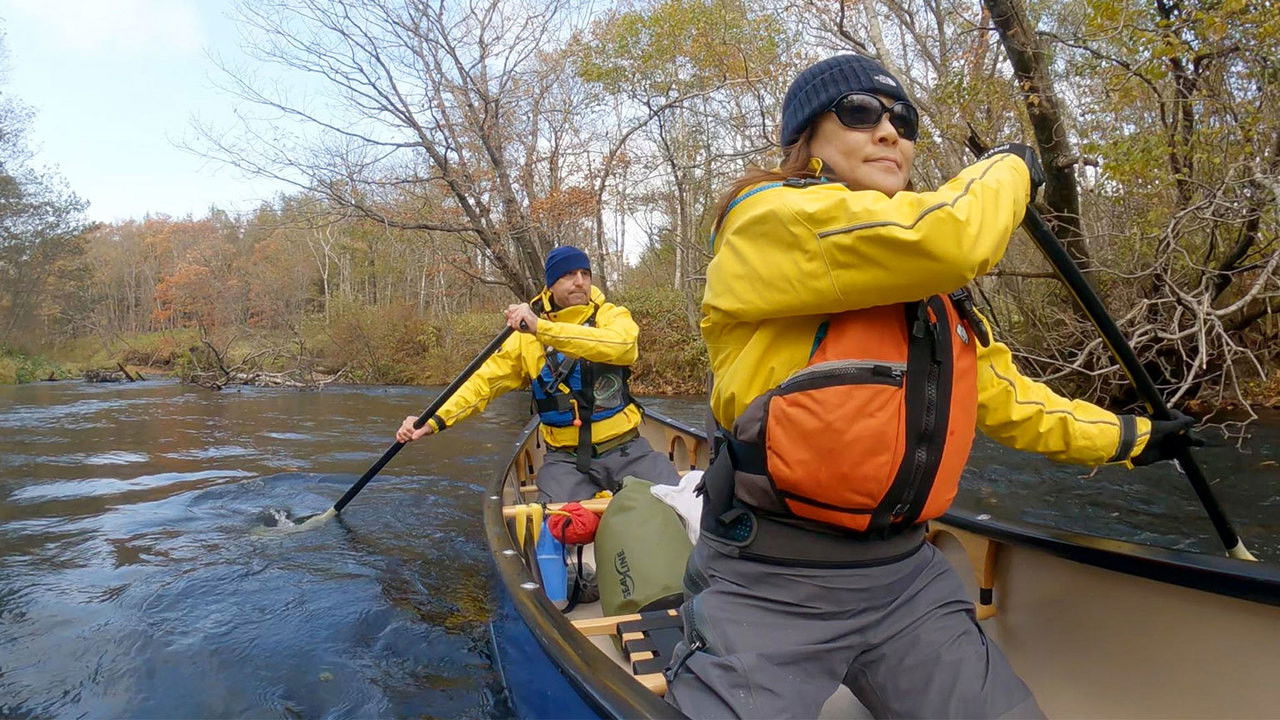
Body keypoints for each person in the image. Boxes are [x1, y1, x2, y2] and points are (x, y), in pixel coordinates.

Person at [663, 54, 1200, 720]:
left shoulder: (925, 288)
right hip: (769, 580)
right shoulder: (769, 221)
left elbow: (1010, 401)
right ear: (807, 141)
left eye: (904, 120)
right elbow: (950, 239)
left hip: (902, 577)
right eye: (860, 113)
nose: (889, 132)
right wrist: (1007, 168)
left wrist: (1132, 437)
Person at [395, 245, 680, 503]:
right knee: (559, 530)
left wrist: (540, 328)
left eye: (585, 273)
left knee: (675, 505)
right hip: (565, 460)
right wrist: (432, 419)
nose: (580, 281)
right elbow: (481, 384)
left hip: (627, 449)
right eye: (568, 275)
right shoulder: (524, 338)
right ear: (551, 284)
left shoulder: (611, 316)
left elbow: (622, 346)